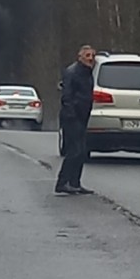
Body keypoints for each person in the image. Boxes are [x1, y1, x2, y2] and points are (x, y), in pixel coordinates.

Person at [55, 44, 96, 195]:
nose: (91, 59)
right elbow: (67, 96)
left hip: (82, 115)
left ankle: (75, 183)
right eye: (87, 56)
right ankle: (62, 182)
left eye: (92, 56)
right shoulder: (72, 72)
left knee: (82, 151)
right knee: (74, 150)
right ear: (80, 57)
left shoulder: (87, 73)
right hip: (72, 117)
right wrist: (72, 114)